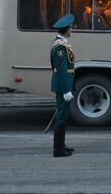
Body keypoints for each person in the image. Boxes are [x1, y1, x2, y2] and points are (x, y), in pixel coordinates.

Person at [50, 13, 76, 157]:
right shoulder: (60, 47)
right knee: (61, 116)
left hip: (65, 84)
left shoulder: (62, 43)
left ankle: (61, 145)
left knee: (63, 115)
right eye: (71, 27)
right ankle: (58, 150)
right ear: (66, 29)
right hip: (62, 86)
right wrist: (66, 90)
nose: (72, 30)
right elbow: (61, 70)